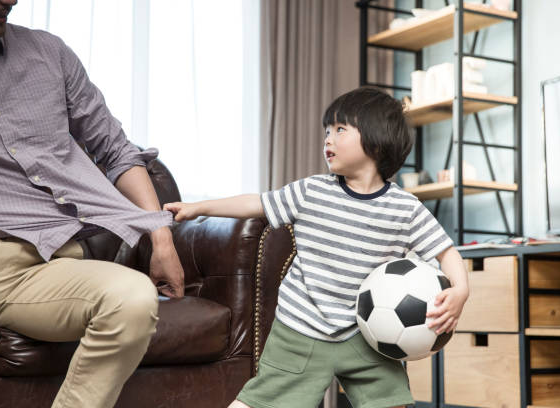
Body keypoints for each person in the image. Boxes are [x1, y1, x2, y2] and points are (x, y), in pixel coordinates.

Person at [165, 87, 469, 408]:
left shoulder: (405, 208)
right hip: (301, 327)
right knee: (262, 401)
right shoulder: (311, 191)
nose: (328, 139)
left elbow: (445, 251)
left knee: (391, 403)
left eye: (340, 130)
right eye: (327, 131)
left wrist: (460, 291)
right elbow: (256, 203)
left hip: (367, 333)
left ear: (377, 141)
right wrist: (199, 208)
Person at [0, 1, 184, 407]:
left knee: (131, 299)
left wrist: (161, 238)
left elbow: (116, 150)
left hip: (53, 266)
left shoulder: (50, 53)